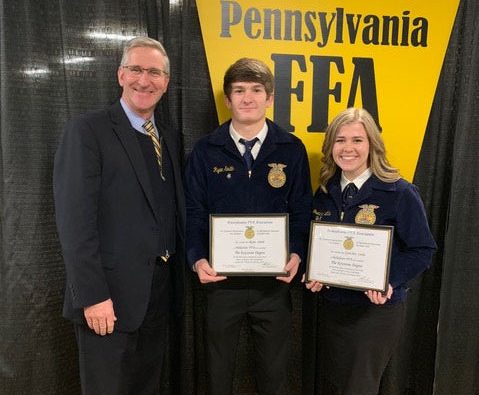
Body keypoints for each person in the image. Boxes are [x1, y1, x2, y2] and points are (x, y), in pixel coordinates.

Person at [53, 36, 185, 395]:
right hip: (106, 300)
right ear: (120, 75)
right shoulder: (88, 131)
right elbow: (74, 223)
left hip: (157, 297)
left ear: (167, 82)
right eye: (137, 70)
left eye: (154, 72)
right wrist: (92, 296)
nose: (145, 80)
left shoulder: (170, 137)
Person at [185, 58, 312, 395]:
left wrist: (298, 254)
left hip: (274, 285)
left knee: (274, 375)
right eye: (239, 90)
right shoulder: (205, 151)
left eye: (256, 90)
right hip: (220, 284)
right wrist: (197, 259)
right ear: (227, 100)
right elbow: (194, 213)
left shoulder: (291, 149)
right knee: (217, 373)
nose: (247, 98)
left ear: (269, 98)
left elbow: (302, 212)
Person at [305, 107, 437, 394]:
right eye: (340, 140)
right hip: (333, 308)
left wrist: (388, 279)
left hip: (375, 311)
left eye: (357, 140)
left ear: (372, 145)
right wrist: (311, 271)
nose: (348, 148)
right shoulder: (325, 193)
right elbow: (318, 243)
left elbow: (422, 249)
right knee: (335, 385)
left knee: (359, 387)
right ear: (330, 146)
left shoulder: (399, 192)